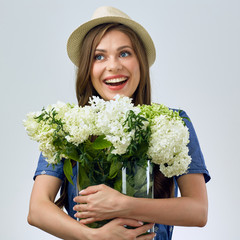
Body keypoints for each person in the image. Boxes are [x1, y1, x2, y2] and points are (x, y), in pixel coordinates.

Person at [27, 6, 211, 240]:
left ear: (140, 62)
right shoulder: (66, 128)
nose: (113, 66)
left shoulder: (173, 122)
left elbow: (198, 211)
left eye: (124, 53)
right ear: (88, 68)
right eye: (99, 56)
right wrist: (95, 237)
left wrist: (123, 205)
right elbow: (37, 210)